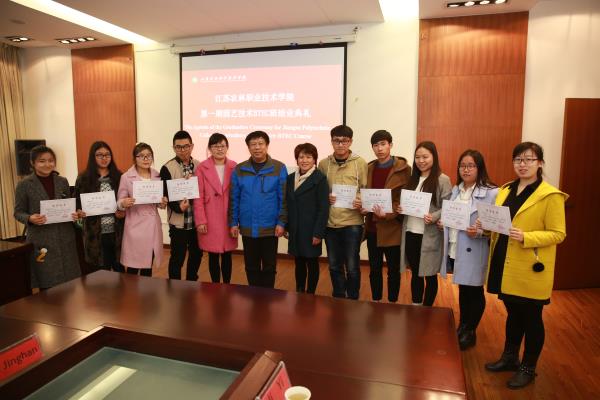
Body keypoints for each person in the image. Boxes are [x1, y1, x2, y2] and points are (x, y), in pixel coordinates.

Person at [482, 142, 567, 389]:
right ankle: (510, 357)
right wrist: (485, 226)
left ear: (540, 163)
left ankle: (528, 368)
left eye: (529, 159)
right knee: (513, 312)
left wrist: (527, 237)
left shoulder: (550, 195)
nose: (523, 164)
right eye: (518, 159)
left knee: (531, 318)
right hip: (504, 260)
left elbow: (558, 233)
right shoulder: (505, 189)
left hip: (529, 266)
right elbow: (498, 222)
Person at [439, 149, 498, 350]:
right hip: (456, 245)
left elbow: (496, 224)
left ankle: (470, 330)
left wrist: (480, 232)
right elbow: (452, 215)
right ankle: (463, 325)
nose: (466, 169)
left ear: (479, 168)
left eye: (471, 165)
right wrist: (444, 222)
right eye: (462, 166)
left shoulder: (491, 192)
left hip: (475, 248)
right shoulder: (456, 190)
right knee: (464, 289)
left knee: (474, 290)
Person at [353, 130, 411, 302]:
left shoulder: (404, 169)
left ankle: (392, 303)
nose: (380, 148)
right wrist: (363, 207)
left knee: (393, 270)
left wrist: (388, 213)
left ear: (390, 145)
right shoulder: (369, 168)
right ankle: (376, 301)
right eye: (376, 145)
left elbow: (404, 199)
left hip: (393, 228)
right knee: (374, 269)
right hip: (373, 228)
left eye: (383, 144)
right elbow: (364, 193)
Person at [14, 145, 81, 289]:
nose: (47, 164)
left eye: (51, 160)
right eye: (42, 161)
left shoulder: (62, 181)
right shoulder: (24, 185)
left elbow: (68, 205)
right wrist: (30, 218)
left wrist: (74, 214)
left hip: (65, 236)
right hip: (41, 238)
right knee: (47, 283)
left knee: (71, 282)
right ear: (32, 163)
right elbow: (18, 212)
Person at [229, 131, 287, 288]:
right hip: (248, 227)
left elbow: (283, 199)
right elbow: (234, 198)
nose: (257, 147)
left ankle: (267, 297)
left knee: (269, 267)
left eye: (260, 144)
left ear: (267, 145)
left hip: (270, 227)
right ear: (248, 147)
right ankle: (253, 296)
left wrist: (281, 222)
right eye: (253, 144)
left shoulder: (278, 168)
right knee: (251, 266)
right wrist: (233, 223)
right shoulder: (240, 169)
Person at [397, 141, 451, 306]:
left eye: (425, 157)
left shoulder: (443, 179)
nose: (421, 161)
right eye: (418, 157)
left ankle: (427, 310)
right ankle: (416, 306)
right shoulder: (412, 179)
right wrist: (401, 208)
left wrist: (433, 216)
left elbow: (448, 206)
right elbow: (406, 202)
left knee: (429, 274)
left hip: (429, 235)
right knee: (415, 273)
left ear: (434, 157)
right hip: (411, 232)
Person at [318, 125, 368, 300]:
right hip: (330, 223)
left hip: (352, 223)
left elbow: (365, 189)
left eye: (344, 141)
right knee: (334, 265)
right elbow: (319, 191)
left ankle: (353, 298)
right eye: (336, 141)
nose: (340, 144)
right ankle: (338, 297)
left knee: (352, 266)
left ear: (350, 142)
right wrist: (325, 197)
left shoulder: (360, 163)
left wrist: (359, 199)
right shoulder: (323, 164)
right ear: (331, 141)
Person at [117, 143, 167, 276]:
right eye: (141, 156)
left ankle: (146, 289)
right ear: (135, 158)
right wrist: (123, 203)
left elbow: (158, 202)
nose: (146, 159)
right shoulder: (126, 177)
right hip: (135, 228)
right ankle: (131, 290)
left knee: (147, 267)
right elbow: (119, 201)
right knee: (133, 268)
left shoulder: (157, 175)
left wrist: (162, 202)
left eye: (149, 156)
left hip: (153, 227)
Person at [74, 141, 125, 272]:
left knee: (120, 271)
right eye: (99, 155)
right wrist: (79, 211)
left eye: (107, 154)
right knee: (101, 273)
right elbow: (77, 203)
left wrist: (123, 210)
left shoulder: (119, 177)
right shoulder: (83, 178)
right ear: (93, 156)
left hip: (117, 232)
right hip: (95, 234)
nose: (104, 158)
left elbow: (125, 200)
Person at [194, 133, 238, 284]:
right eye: (215, 146)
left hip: (228, 216)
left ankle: (227, 285)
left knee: (227, 254)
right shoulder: (201, 168)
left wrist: (236, 220)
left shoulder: (234, 167)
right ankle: (215, 286)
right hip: (210, 216)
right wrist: (200, 221)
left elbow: (238, 195)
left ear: (227, 147)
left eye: (222, 146)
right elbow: (198, 196)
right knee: (213, 254)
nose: (219, 149)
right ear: (210, 148)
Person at [285, 143, 329, 294]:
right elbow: (287, 204)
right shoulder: (290, 178)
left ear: (314, 159)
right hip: (295, 228)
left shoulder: (320, 178)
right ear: (296, 159)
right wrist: (286, 227)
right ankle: (299, 291)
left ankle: (310, 294)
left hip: (311, 230)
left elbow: (323, 208)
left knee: (312, 262)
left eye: (308, 157)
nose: (304, 160)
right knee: (298, 261)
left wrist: (318, 233)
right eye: (301, 157)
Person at [160, 130, 203, 281]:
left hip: (196, 222)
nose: (182, 150)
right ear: (174, 148)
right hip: (178, 223)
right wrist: (179, 208)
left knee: (197, 254)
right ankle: (174, 287)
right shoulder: (167, 167)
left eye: (186, 146)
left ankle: (191, 281)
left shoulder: (200, 166)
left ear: (192, 146)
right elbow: (166, 194)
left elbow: (203, 192)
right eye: (178, 147)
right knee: (177, 257)